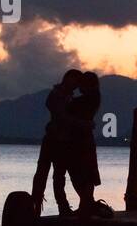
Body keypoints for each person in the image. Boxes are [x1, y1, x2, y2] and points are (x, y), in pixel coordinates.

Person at [44, 69, 82, 215]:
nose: (76, 85)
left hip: (66, 140)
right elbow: (60, 115)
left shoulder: (65, 96)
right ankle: (64, 206)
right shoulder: (57, 95)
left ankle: (79, 204)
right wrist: (82, 123)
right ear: (67, 79)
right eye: (75, 81)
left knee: (70, 174)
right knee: (60, 175)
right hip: (59, 140)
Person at [66, 71, 103, 216]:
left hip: (80, 140)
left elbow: (71, 110)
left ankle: (86, 204)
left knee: (80, 173)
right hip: (84, 138)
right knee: (85, 173)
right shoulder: (94, 98)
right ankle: (86, 203)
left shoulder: (88, 99)